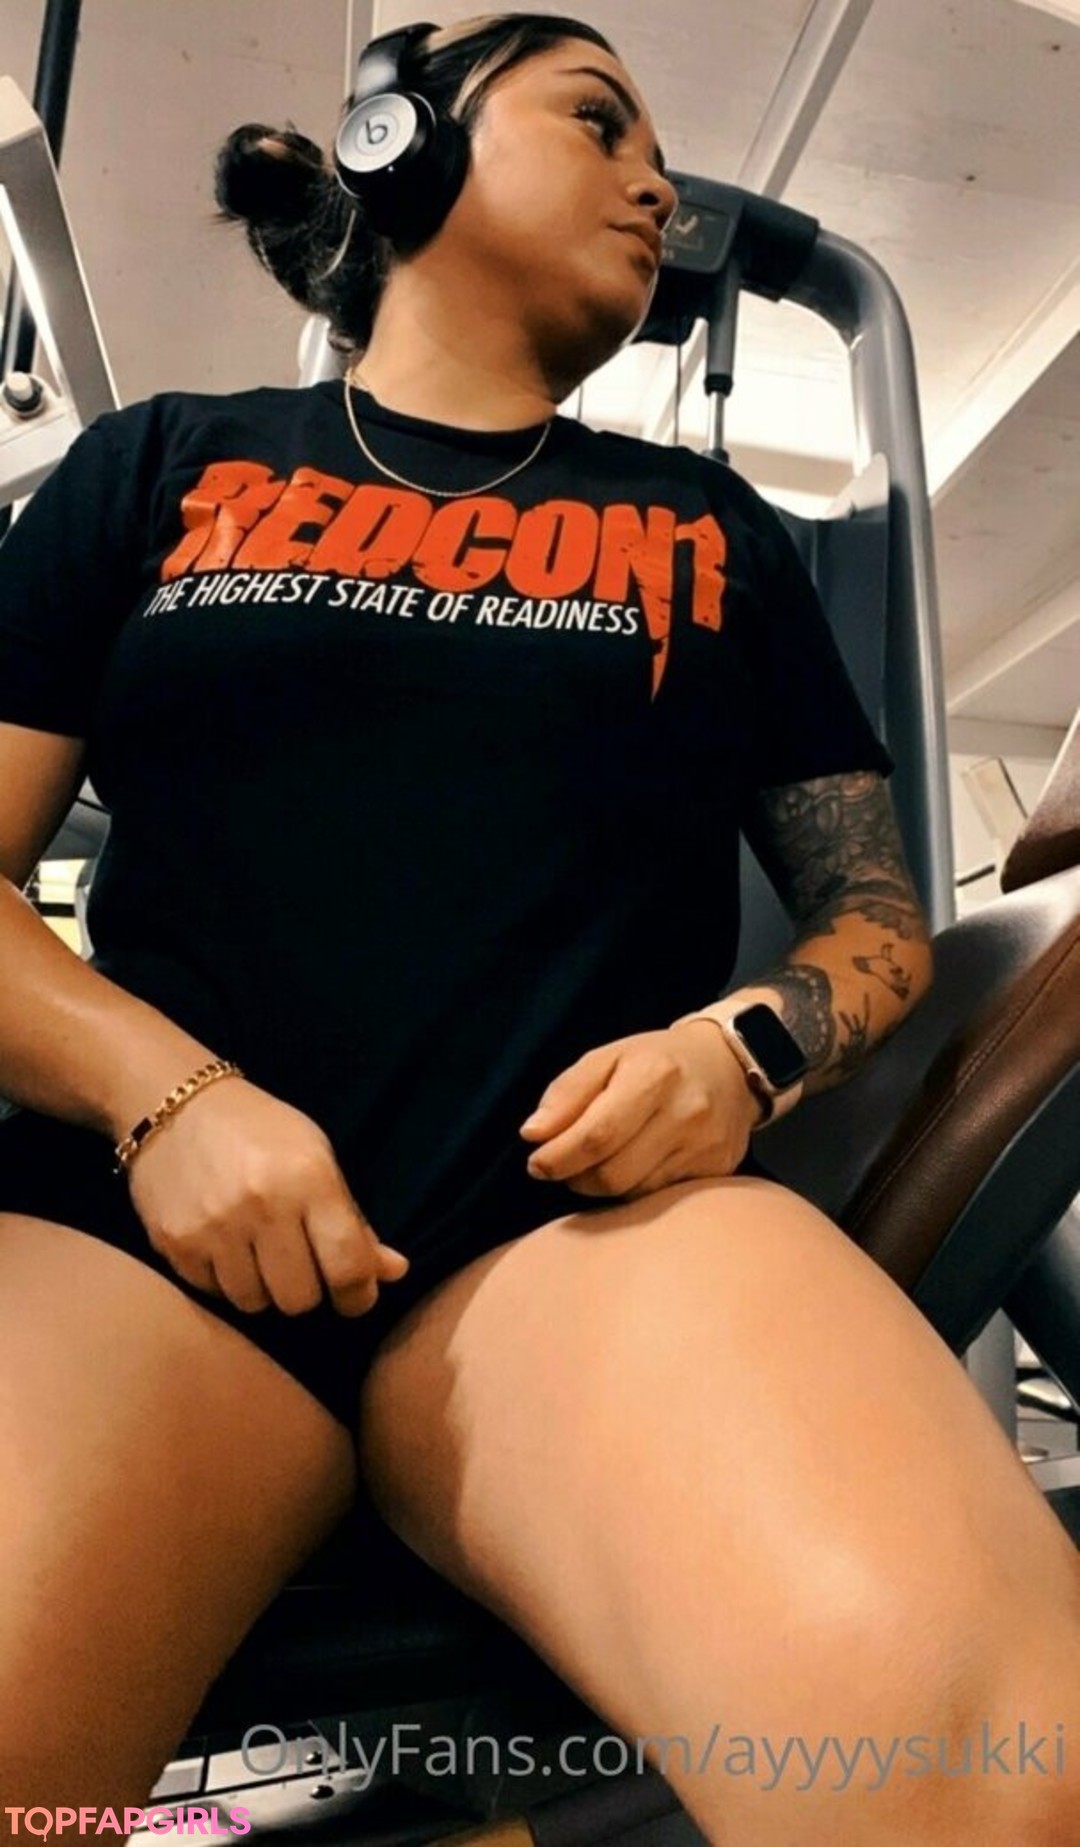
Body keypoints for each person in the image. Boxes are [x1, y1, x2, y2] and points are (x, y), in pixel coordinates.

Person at [0, 12, 1076, 1842]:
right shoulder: (162, 463)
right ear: (400, 144)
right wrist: (162, 1095)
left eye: (655, 149)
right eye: (599, 122)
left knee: (993, 1771)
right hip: (151, 1239)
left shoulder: (713, 531)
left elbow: (877, 917)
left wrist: (746, 1048)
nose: (657, 185)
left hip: (571, 1248)